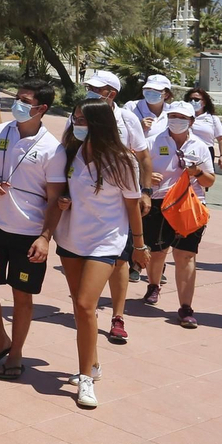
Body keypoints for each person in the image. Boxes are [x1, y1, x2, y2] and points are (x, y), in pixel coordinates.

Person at [41, 99, 146, 408]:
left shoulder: (124, 161)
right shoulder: (70, 152)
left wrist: (139, 245)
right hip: (72, 238)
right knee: (79, 306)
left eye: (82, 121)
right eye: (74, 119)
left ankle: (85, 377)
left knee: (87, 304)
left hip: (107, 241)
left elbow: (132, 206)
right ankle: (94, 364)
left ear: (99, 124)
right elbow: (61, 191)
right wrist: (63, 202)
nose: (76, 125)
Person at [0, 81, 61, 380]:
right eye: (17, 99)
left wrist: (45, 238)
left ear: (41, 108)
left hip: (29, 234)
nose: (18, 105)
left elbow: (55, 200)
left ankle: (17, 351)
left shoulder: (52, 148)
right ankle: (0, 340)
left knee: (22, 296)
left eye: (25, 101)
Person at [82, 70, 152, 327]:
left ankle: (117, 315)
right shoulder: (79, 114)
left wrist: (145, 191)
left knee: (120, 260)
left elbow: (143, 157)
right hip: (85, 201)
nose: (90, 91)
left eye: (95, 88)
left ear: (110, 94)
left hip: (119, 200)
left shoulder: (126, 119)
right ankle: (87, 307)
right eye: (89, 86)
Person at [141, 102, 217, 327]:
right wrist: (146, 178)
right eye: (172, 115)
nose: (176, 120)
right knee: (157, 252)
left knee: (185, 256)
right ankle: (154, 285)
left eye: (182, 117)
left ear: (191, 121)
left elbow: (210, 181)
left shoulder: (201, 146)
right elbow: (136, 169)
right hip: (158, 204)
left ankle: (185, 307)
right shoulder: (152, 142)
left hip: (189, 207)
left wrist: (198, 172)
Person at [186, 87, 222, 169]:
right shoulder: (182, 116)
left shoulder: (212, 118)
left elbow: (221, 138)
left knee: (205, 178)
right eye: (191, 99)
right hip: (186, 150)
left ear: (204, 102)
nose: (193, 102)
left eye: (196, 99)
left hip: (206, 152)